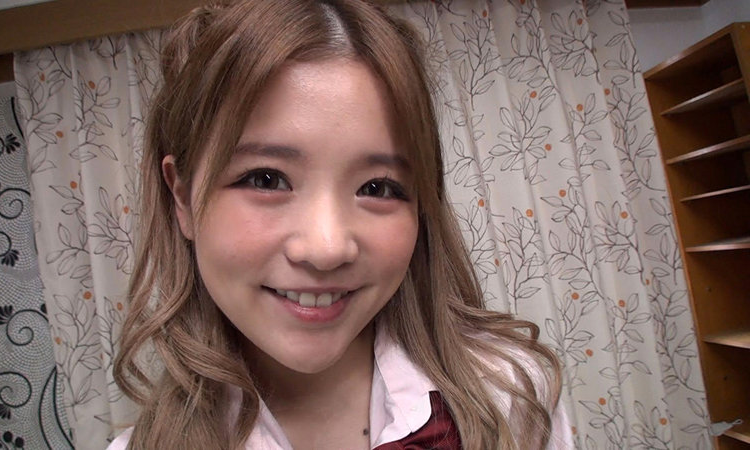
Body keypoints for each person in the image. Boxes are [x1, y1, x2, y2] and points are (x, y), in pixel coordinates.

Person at [110, 0, 572, 449]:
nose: (327, 247)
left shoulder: (509, 397)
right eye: (266, 179)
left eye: (377, 187)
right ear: (182, 197)